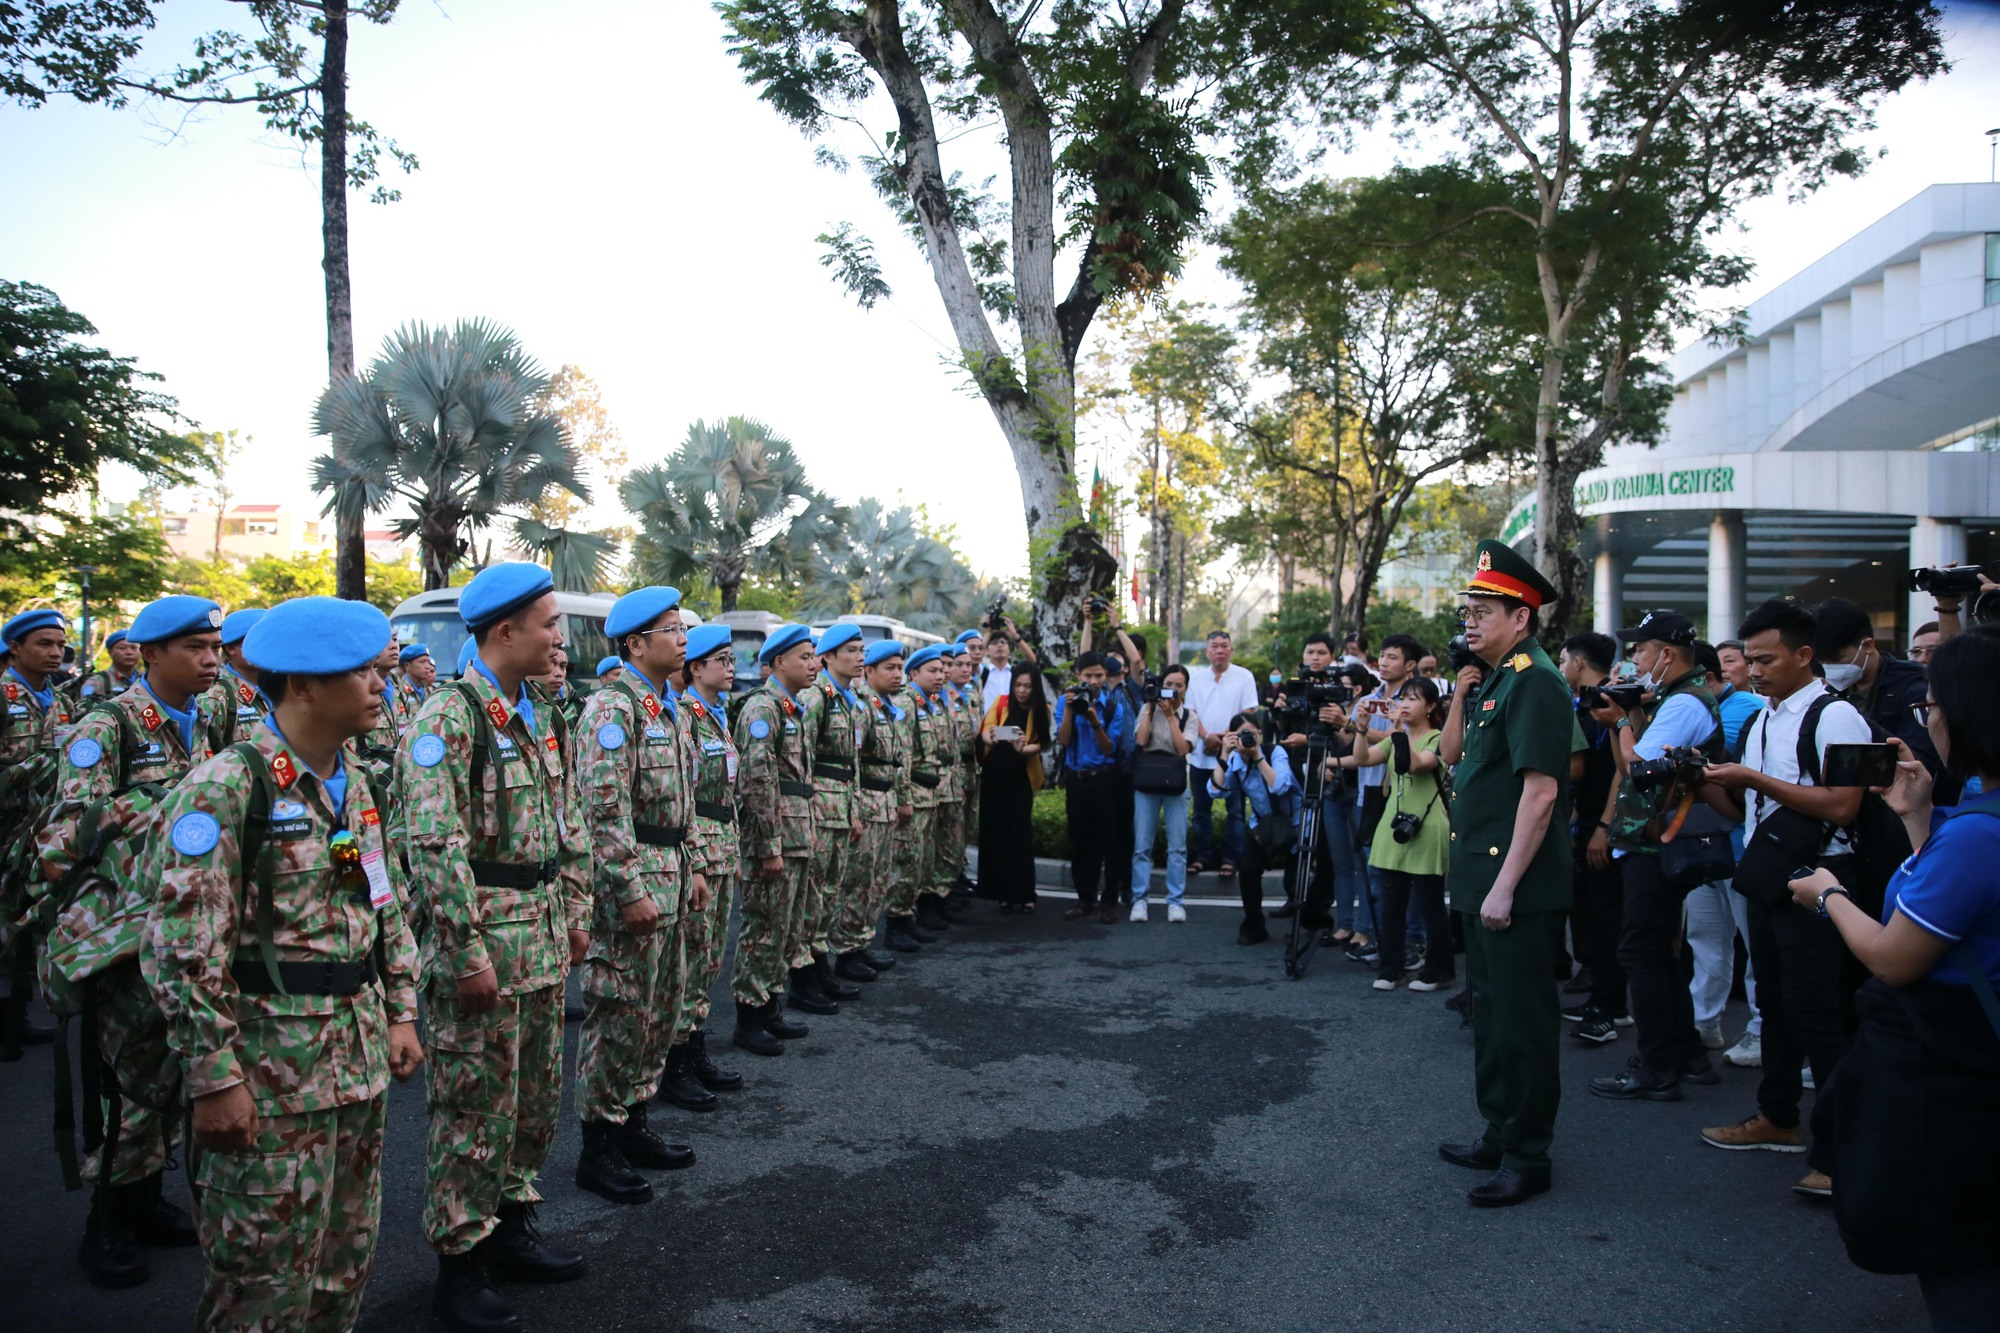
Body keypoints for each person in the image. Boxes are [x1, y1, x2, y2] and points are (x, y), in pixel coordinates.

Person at [144, 596, 425, 1331]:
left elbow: (382, 899)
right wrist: (214, 1080)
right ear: (301, 685)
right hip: (268, 1075)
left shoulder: (354, 781)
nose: (379, 683)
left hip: (354, 1059)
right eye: (359, 670)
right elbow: (182, 949)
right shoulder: (226, 788)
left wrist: (401, 1008)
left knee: (344, 1262)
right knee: (261, 1282)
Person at [394, 563, 591, 1330]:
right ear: (503, 632)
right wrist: (464, 951)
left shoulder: (535, 710)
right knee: (473, 1110)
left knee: (534, 1103)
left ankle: (512, 1232)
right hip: (485, 945)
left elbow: (566, 819)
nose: (559, 636)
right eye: (548, 622)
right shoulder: (448, 717)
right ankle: (460, 1264)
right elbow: (432, 844)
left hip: (539, 934)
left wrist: (575, 909)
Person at [1787, 625, 2000, 1331]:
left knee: (1966, 1276)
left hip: (1955, 1081)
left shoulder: (1977, 835)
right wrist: (1915, 818)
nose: (1927, 714)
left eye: (1934, 701)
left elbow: (1893, 954)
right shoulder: (1968, 820)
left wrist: (1828, 895)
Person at [35, 595, 224, 1285]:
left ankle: (144, 1197)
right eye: (195, 648)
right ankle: (106, 1217)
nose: (210, 659)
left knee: (171, 1069)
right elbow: (62, 838)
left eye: (214, 646)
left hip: (184, 927)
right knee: (125, 1078)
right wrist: (156, 815)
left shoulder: (206, 719)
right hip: (123, 934)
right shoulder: (106, 726)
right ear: (150, 653)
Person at [1695, 598, 1870, 1196]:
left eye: (1766, 659)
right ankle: (1777, 1116)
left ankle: (1842, 1151)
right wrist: (1707, 779)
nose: (1755, 670)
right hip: (1768, 874)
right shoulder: (1764, 718)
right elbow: (1746, 807)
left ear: (1804, 654)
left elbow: (1845, 804)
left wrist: (1749, 779)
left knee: (1819, 1012)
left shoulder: (1836, 717)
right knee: (1772, 1000)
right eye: (1749, 659)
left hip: (1823, 879)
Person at [1435, 541, 1573, 1208]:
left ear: (1522, 618)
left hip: (1512, 885)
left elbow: (1541, 792)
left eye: (1484, 609)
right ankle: (1499, 1128)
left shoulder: (1536, 679)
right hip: (1484, 878)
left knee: (1521, 1021)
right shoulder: (1497, 677)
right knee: (1491, 1016)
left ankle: (1528, 1153)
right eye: (1469, 608)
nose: (1470, 618)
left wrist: (1505, 884)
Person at [571, 586, 699, 1204]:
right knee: (620, 1013)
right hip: (636, 885)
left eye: (681, 627)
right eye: (670, 629)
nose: (682, 638)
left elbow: (684, 802)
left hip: (670, 871)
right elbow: (602, 810)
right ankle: (598, 1143)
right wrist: (627, 888)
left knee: (659, 1011)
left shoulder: (663, 706)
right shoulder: (612, 711)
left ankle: (634, 1120)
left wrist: (693, 864)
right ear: (635, 643)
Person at [1585, 611, 1729, 1101]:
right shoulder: (1676, 698)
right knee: (1661, 955)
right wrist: (1634, 715)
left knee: (1640, 954)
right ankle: (1686, 1053)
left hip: (1657, 843)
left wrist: (1621, 719)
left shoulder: (1685, 703)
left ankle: (1655, 1069)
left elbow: (1639, 766)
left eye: (1641, 650)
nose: (1634, 660)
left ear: (1666, 653)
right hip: (1653, 839)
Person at [731, 624, 819, 1054]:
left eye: (814, 655)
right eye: (805, 656)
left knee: (786, 928)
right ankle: (749, 1015)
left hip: (796, 831)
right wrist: (769, 846)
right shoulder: (762, 710)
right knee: (763, 927)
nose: (814, 663)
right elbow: (756, 781)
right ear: (779, 662)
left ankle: (769, 1005)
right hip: (774, 837)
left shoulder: (792, 707)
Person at [670, 625, 747, 1102]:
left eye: (732, 659)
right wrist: (698, 858)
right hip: (699, 849)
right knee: (691, 959)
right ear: (696, 668)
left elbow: (727, 793)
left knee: (709, 959)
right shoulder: (686, 717)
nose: (731, 668)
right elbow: (687, 797)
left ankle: (695, 1048)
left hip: (722, 846)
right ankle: (676, 1060)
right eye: (722, 660)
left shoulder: (718, 715)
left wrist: (733, 848)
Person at [1344, 676, 1454, 991]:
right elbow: (1363, 759)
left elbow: (1413, 764)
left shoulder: (1438, 739)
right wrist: (1362, 730)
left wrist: (1398, 732)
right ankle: (1391, 968)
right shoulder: (1396, 737)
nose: (1404, 704)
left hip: (1427, 826)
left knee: (1431, 904)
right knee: (1391, 903)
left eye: (1413, 699)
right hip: (1394, 825)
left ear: (1431, 706)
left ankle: (1438, 970)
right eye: (1402, 698)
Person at [1685, 640, 1766, 1060]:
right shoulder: (1697, 706)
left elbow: (1719, 764)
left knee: (1755, 945)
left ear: (1709, 678)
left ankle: (1760, 1028)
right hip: (1702, 846)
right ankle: (1704, 1022)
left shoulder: (1745, 708)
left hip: (1740, 848)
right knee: (1705, 937)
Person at [1557, 631, 1630, 1040]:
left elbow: (1620, 770)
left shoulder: (1610, 702)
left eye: (1564, 659)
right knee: (1592, 914)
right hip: (1588, 822)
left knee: (1607, 918)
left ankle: (1611, 1007)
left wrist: (1604, 826)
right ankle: (1601, 997)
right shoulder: (1585, 703)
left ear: (1579, 663)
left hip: (1608, 825)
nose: (1562, 666)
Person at [800, 625, 868, 1002]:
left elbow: (851, 762)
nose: (860, 657)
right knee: (814, 897)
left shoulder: (847, 698)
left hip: (840, 807)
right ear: (827, 657)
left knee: (830, 893)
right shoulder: (817, 698)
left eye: (861, 650)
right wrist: (807, 815)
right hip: (820, 810)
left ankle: (820, 965)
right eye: (852, 651)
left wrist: (854, 810)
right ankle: (805, 975)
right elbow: (802, 760)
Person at [1350, 635, 1423, 967]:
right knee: (1374, 869)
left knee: (1408, 873)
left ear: (1410, 665)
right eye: (1381, 655)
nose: (1383, 662)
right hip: (1371, 792)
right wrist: (1347, 726)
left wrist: (1371, 732)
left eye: (1392, 657)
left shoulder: (1418, 700)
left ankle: (1414, 941)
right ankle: (1381, 937)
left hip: (1406, 795)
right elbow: (1358, 746)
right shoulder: (1368, 698)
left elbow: (1408, 743)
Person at [834, 641, 908, 969]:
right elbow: (854, 761)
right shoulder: (861, 706)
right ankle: (848, 948)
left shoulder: (885, 706)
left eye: (900, 668)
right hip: (866, 802)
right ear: (870, 672)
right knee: (859, 881)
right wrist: (856, 810)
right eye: (890, 668)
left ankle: (863, 941)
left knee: (877, 879)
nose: (897, 674)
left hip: (885, 802)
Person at [1054, 651, 1130, 924]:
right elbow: (1063, 741)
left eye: (1099, 675)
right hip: (1076, 779)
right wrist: (1071, 711)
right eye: (1089, 676)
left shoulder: (1112, 707)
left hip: (1105, 780)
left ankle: (1109, 901)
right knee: (1080, 840)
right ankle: (1085, 898)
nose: (1095, 681)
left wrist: (1094, 719)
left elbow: (1109, 748)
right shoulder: (1065, 701)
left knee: (1111, 841)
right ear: (1079, 676)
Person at [885, 646, 952, 952]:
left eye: (941, 671)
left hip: (930, 794)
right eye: (933, 671)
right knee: (906, 862)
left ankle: (909, 918)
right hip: (914, 794)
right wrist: (904, 798)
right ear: (914, 675)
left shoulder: (929, 704)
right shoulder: (907, 705)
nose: (940, 676)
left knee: (922, 861)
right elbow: (902, 756)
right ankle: (896, 923)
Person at [1211, 711, 1297, 945]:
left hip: (1294, 823)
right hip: (1263, 825)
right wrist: (1224, 753)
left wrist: (1258, 756)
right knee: (1248, 868)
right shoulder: (1235, 759)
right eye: (1241, 735)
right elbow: (1215, 790)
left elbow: (1280, 786)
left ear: (1260, 733)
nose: (1247, 739)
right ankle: (1254, 925)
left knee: (1296, 880)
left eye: (1251, 733)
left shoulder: (1273, 751)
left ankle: (1305, 925)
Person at [1184, 630, 1258, 876]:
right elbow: (1190, 712)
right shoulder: (1196, 678)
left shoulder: (1243, 676)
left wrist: (1224, 738)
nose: (1220, 650)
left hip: (1234, 756)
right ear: (1206, 651)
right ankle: (1202, 856)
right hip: (1201, 755)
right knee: (1200, 812)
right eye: (1214, 646)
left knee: (1235, 811)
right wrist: (1207, 737)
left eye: (1224, 646)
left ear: (1231, 650)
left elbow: (1248, 711)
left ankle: (1231, 859)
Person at [1127, 663, 1195, 922]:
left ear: (1186, 689)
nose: (1173, 690)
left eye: (1179, 686)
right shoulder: (1148, 708)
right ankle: (1139, 900)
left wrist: (1169, 717)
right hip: (1147, 783)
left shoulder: (1190, 716)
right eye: (1168, 685)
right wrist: (1151, 708)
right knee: (1142, 845)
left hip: (1175, 783)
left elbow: (1182, 749)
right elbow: (1142, 741)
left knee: (1177, 847)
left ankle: (1175, 901)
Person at [979, 660, 1049, 913]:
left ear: (1035, 687)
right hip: (995, 776)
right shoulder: (1001, 702)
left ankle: (1025, 893)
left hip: (1021, 778)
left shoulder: (1042, 709)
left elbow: (1040, 744)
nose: (1022, 690)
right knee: (998, 833)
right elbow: (985, 731)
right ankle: (1002, 894)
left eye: (1027, 686)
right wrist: (995, 736)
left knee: (1021, 835)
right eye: (1018, 684)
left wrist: (1022, 748)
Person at [1099, 651, 1140, 913]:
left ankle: (1126, 884)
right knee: (1106, 830)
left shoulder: (1132, 691)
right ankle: (1106, 887)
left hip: (1129, 769)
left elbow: (1137, 662)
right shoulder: (1095, 691)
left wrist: (1117, 625)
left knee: (1126, 830)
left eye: (1118, 661)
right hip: (1102, 768)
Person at [200, 607, 269, 750]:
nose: (267, 646)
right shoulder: (215, 699)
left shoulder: (280, 692)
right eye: (257, 640)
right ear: (231, 648)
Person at [977, 612, 1038, 713]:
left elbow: (1032, 661)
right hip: (987, 725)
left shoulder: (1016, 673)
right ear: (987, 650)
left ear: (1009, 650)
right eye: (994, 643)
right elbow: (974, 658)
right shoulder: (982, 672)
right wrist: (988, 632)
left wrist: (1015, 636)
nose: (999, 646)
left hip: (1011, 725)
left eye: (1003, 642)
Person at [79, 628, 140, 699]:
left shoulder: (148, 680)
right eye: (122, 648)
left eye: (134, 648)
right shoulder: (97, 682)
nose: (129, 652)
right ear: (110, 652)